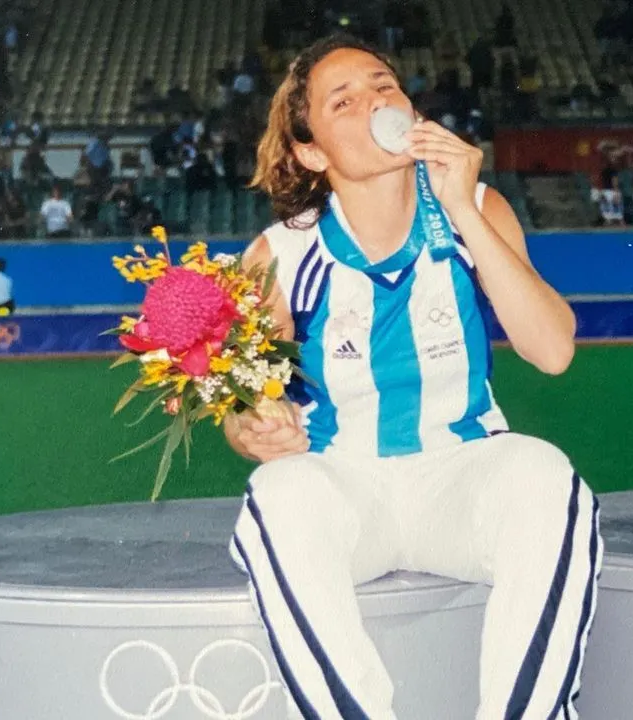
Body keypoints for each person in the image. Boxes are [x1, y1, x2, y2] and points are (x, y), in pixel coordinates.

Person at [224, 35, 600, 720]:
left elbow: (551, 351)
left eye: (384, 86)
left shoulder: (476, 209)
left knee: (547, 476)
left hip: (463, 472)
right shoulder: (281, 253)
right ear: (312, 152)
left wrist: (459, 206)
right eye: (344, 101)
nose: (374, 103)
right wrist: (252, 426)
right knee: (276, 494)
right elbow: (248, 405)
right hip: (346, 483)